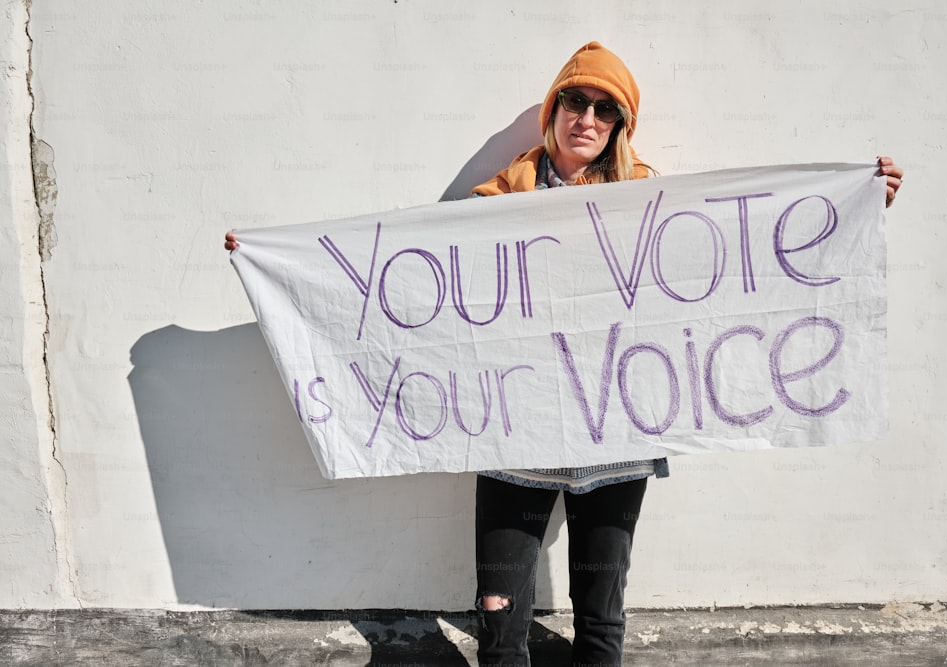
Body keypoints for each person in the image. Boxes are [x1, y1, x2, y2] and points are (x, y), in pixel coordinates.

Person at [224, 41, 903, 667]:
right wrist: (279, 263)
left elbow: (731, 267)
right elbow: (407, 285)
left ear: (619, 127)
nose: (588, 117)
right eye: (576, 101)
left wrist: (856, 203)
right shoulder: (491, 204)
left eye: (606, 109)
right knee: (499, 619)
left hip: (616, 440)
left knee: (602, 619)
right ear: (554, 113)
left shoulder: (653, 206)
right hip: (514, 440)